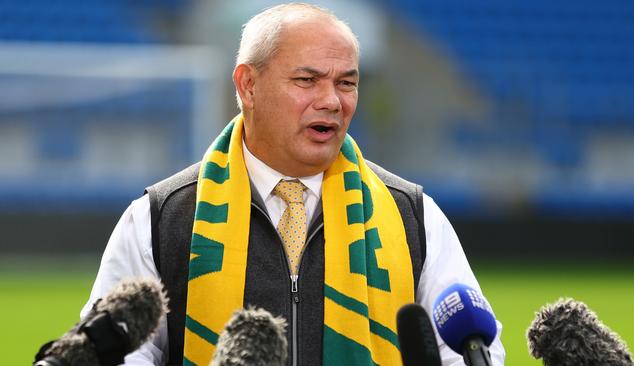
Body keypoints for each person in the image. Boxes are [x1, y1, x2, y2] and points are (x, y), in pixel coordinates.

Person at [82, 3, 506, 366]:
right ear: (248, 85)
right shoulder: (160, 217)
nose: (332, 101)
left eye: (347, 83)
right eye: (307, 80)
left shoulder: (414, 215)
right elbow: (118, 354)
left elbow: (474, 351)